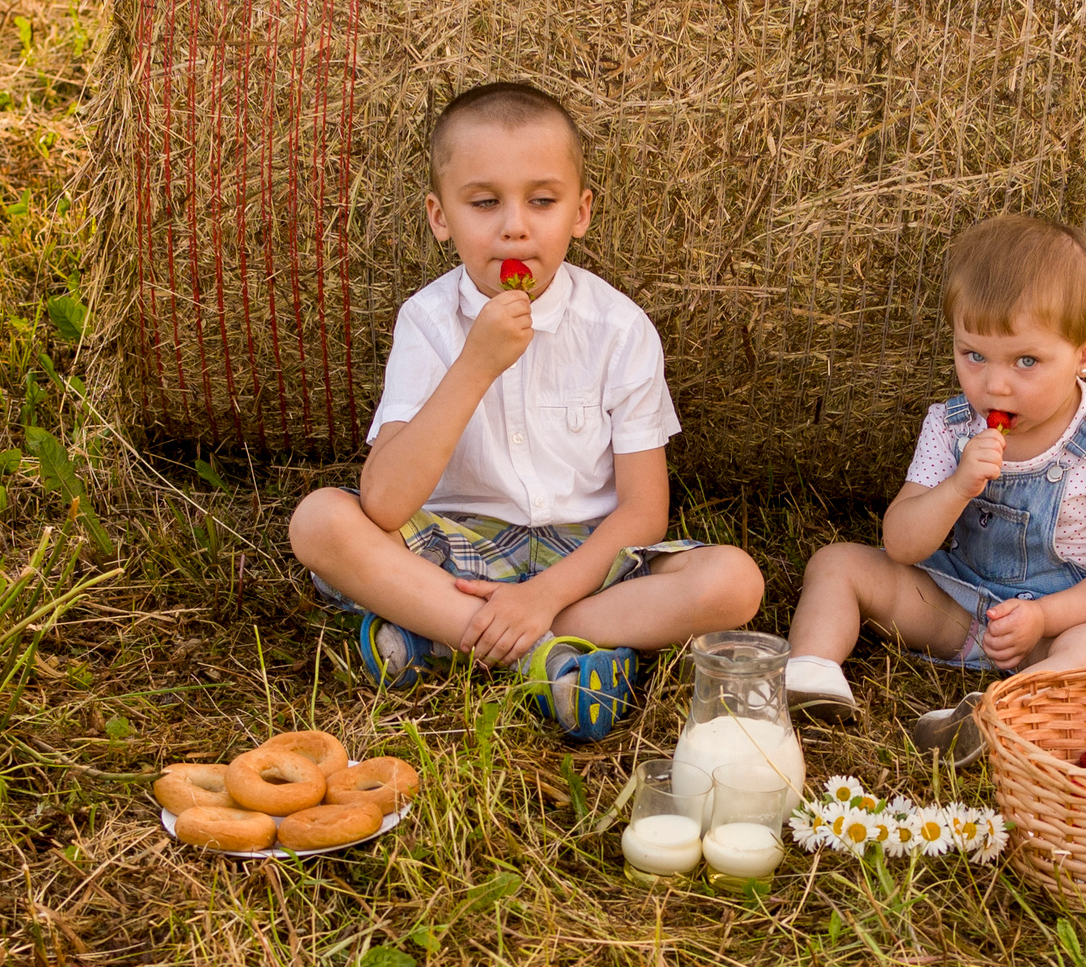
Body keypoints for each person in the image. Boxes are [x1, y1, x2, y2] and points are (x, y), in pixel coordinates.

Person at [288, 82, 763, 741]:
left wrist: (542, 597)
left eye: (542, 201)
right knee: (320, 522)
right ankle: (546, 658)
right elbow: (386, 502)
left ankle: (450, 638)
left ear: (580, 211)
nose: (514, 224)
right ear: (440, 215)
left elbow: (643, 510)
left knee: (734, 582)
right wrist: (475, 364)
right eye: (484, 203)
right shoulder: (427, 323)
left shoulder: (619, 329)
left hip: (589, 563)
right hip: (457, 552)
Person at [780, 213, 1086, 765]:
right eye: (974, 355)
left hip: (1057, 623)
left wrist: (1042, 618)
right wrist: (958, 486)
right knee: (837, 564)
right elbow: (902, 544)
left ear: (1085, 354)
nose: (995, 383)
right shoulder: (952, 424)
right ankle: (811, 675)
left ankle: (1001, 711)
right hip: (958, 609)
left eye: (1027, 361)